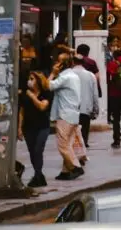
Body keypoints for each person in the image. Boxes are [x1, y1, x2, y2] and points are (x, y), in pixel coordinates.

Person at [48, 52, 85, 180]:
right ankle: (65, 171)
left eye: (57, 61)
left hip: (65, 115)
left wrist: (52, 73)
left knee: (62, 145)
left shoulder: (65, 77)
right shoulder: (72, 76)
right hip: (73, 114)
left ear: (61, 64)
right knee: (68, 144)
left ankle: (75, 167)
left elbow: (48, 86)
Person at [18, 71, 52, 187]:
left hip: (42, 126)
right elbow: (21, 112)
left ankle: (37, 176)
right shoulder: (24, 94)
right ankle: (39, 176)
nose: (29, 81)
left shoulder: (45, 93)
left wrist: (32, 96)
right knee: (32, 152)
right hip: (28, 127)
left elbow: (42, 107)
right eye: (29, 78)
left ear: (38, 80)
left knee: (38, 149)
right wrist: (19, 128)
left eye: (32, 79)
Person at [71, 53, 100, 151]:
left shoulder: (67, 74)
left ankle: (75, 153)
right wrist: (96, 110)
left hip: (70, 109)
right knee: (84, 134)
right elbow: (95, 94)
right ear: (83, 63)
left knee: (71, 134)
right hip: (86, 109)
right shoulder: (91, 75)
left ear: (73, 62)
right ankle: (82, 152)